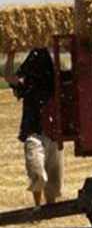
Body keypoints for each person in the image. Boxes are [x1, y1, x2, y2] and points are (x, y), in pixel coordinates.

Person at [3, 49, 62, 207]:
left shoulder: (52, 84)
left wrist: (11, 56)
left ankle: (48, 208)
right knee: (38, 174)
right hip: (34, 133)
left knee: (53, 180)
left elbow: (10, 77)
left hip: (52, 134)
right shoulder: (33, 84)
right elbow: (9, 77)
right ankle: (37, 206)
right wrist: (10, 56)